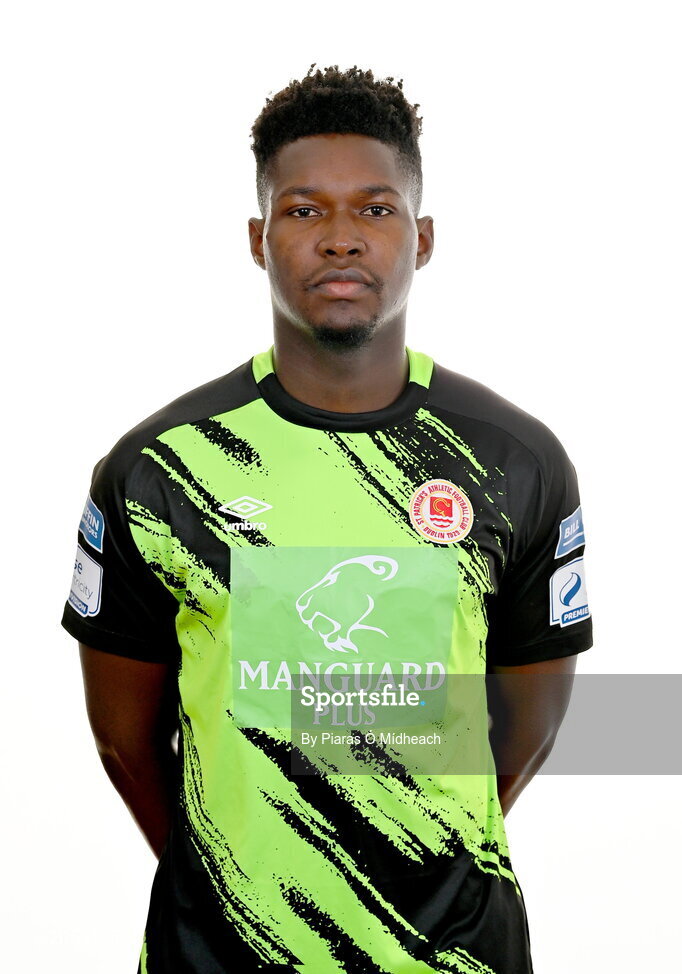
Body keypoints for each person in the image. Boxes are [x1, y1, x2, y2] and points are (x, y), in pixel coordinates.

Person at [61, 64, 593, 974]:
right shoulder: (160, 468)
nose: (340, 239)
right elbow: (123, 741)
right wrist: (240, 886)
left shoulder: (516, 461)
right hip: (219, 954)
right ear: (258, 239)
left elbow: (528, 727)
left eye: (375, 210)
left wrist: (409, 864)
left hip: (453, 954)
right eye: (304, 211)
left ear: (421, 239)